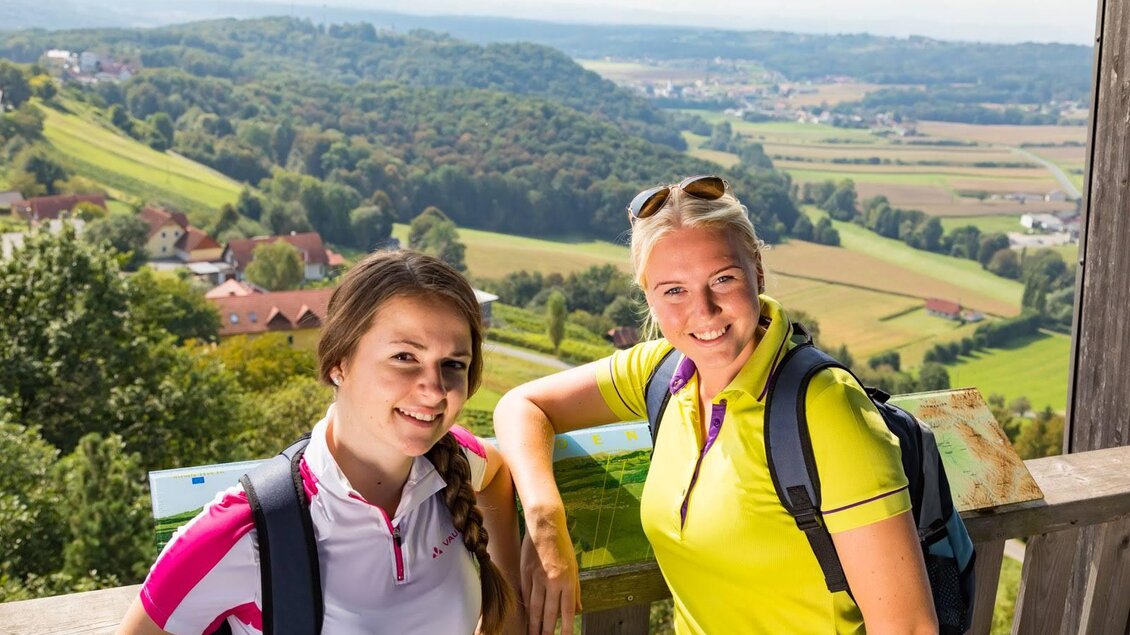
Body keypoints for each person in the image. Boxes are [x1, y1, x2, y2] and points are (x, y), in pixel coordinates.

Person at [493, 175, 938, 634]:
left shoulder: (824, 406)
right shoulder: (660, 371)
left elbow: (909, 628)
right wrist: (545, 520)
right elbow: (521, 405)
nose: (703, 311)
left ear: (757, 272)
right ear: (647, 295)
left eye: (722, 279)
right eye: (674, 290)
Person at [118, 250, 519, 635]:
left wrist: (514, 597)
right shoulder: (244, 534)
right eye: (404, 357)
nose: (434, 390)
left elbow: (497, 473)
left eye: (453, 364)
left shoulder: (452, 460)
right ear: (338, 363)